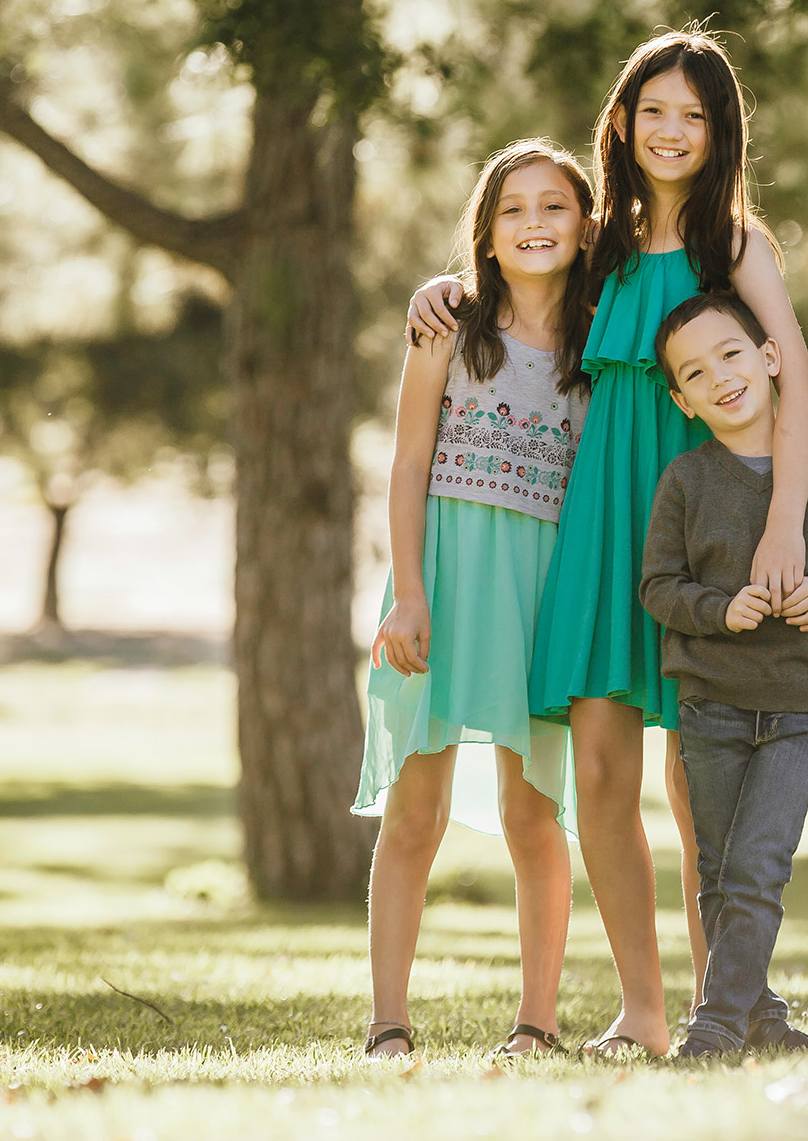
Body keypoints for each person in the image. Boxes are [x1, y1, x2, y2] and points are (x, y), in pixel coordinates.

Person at [406, 30, 808, 1057]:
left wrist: (781, 529)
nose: (671, 131)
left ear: (720, 130)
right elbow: (516, 275)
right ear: (623, 125)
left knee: (698, 776)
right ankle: (641, 1010)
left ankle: (718, 1010)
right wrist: (439, 290)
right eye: (654, 111)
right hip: (600, 524)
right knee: (598, 769)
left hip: (710, 525)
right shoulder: (598, 247)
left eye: (693, 114)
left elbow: (799, 389)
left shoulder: (736, 248)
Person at [357, 139, 595, 1060]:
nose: (535, 224)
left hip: (546, 588)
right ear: (486, 235)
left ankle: (537, 1024)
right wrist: (408, 592)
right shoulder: (447, 325)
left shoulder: (600, 334)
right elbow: (410, 459)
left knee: (534, 811)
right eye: (513, 211)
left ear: (584, 225)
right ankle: (387, 1025)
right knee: (417, 808)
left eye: (555, 207)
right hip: (445, 575)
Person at [641, 291, 808, 1059]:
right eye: (695, 372)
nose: (720, 376)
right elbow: (658, 587)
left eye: (732, 353)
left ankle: (715, 1025)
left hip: (800, 706)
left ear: (771, 358)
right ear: (682, 400)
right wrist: (720, 611)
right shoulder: (687, 481)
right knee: (718, 873)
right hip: (711, 707)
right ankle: (763, 1021)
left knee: (758, 863)